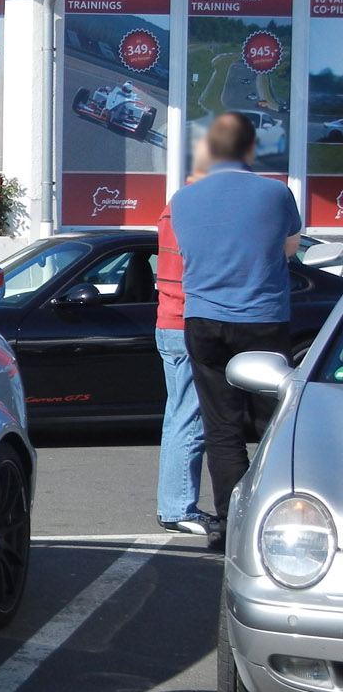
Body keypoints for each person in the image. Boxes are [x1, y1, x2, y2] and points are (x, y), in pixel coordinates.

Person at [169, 111, 302, 551]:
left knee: (221, 427)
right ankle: (273, 521)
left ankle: (229, 527)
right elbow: (288, 249)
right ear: (251, 149)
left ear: (209, 148)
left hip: (203, 321)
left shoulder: (183, 199)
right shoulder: (276, 193)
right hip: (262, 319)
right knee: (271, 425)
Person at [155, 142, 214, 536]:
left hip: (170, 321)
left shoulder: (175, 206)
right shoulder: (196, 209)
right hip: (184, 320)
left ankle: (173, 504)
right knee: (189, 419)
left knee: (179, 415)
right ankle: (178, 507)